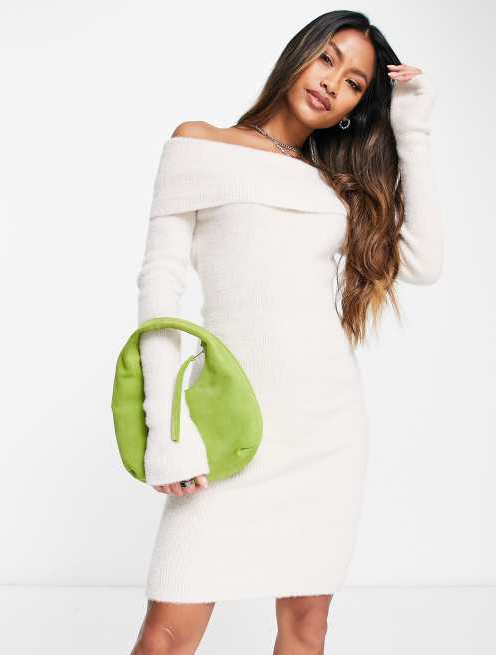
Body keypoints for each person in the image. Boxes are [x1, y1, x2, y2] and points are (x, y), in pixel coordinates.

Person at [130, 9, 444, 655]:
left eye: (354, 83)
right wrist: (165, 429)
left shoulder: (334, 186)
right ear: (297, 54)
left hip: (324, 429)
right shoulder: (199, 143)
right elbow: (159, 291)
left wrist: (411, 128)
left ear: (356, 108)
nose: (332, 83)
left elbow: (423, 262)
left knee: (306, 630)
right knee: (165, 635)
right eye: (327, 58)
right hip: (227, 427)